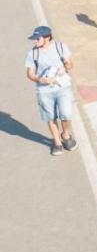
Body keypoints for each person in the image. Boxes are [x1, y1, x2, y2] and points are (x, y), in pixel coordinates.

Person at [23, 26, 76, 156]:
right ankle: (57, 143)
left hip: (62, 87)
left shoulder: (60, 47)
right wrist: (40, 79)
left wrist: (65, 67)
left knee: (66, 114)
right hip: (44, 91)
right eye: (34, 39)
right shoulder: (33, 53)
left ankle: (65, 134)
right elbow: (30, 74)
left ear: (47, 38)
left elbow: (70, 64)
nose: (35, 41)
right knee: (50, 117)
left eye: (37, 38)